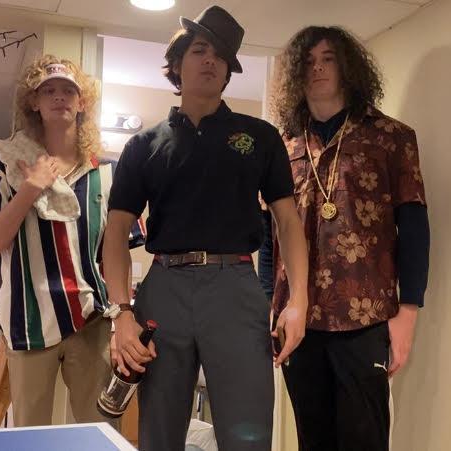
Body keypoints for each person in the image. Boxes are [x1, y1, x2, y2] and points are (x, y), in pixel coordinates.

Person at [102, 6, 308, 450]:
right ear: (177, 64)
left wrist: (298, 302)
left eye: (221, 55)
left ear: (229, 71)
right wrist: (121, 314)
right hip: (164, 290)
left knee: (248, 431)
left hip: (235, 289)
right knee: (158, 432)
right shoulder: (143, 145)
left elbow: (289, 222)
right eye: (199, 50)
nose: (210, 60)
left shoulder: (261, 137)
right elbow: (116, 232)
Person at [267, 26, 430, 451]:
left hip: (365, 317)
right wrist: (269, 302)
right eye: (308, 62)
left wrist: (408, 312)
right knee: (312, 439)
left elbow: (414, 226)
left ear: (348, 68)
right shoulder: (280, 146)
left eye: (328, 59)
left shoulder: (391, 137)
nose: (318, 69)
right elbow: (270, 234)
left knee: (364, 440)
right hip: (298, 320)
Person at [0, 55, 144, 426]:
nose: (59, 97)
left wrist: (123, 316)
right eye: (48, 90)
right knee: (29, 435)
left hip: (92, 319)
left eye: (68, 90)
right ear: (34, 101)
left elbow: (116, 255)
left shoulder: (106, 172)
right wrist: (29, 189)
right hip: (27, 320)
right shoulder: (4, 161)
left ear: (82, 102)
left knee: (99, 431)